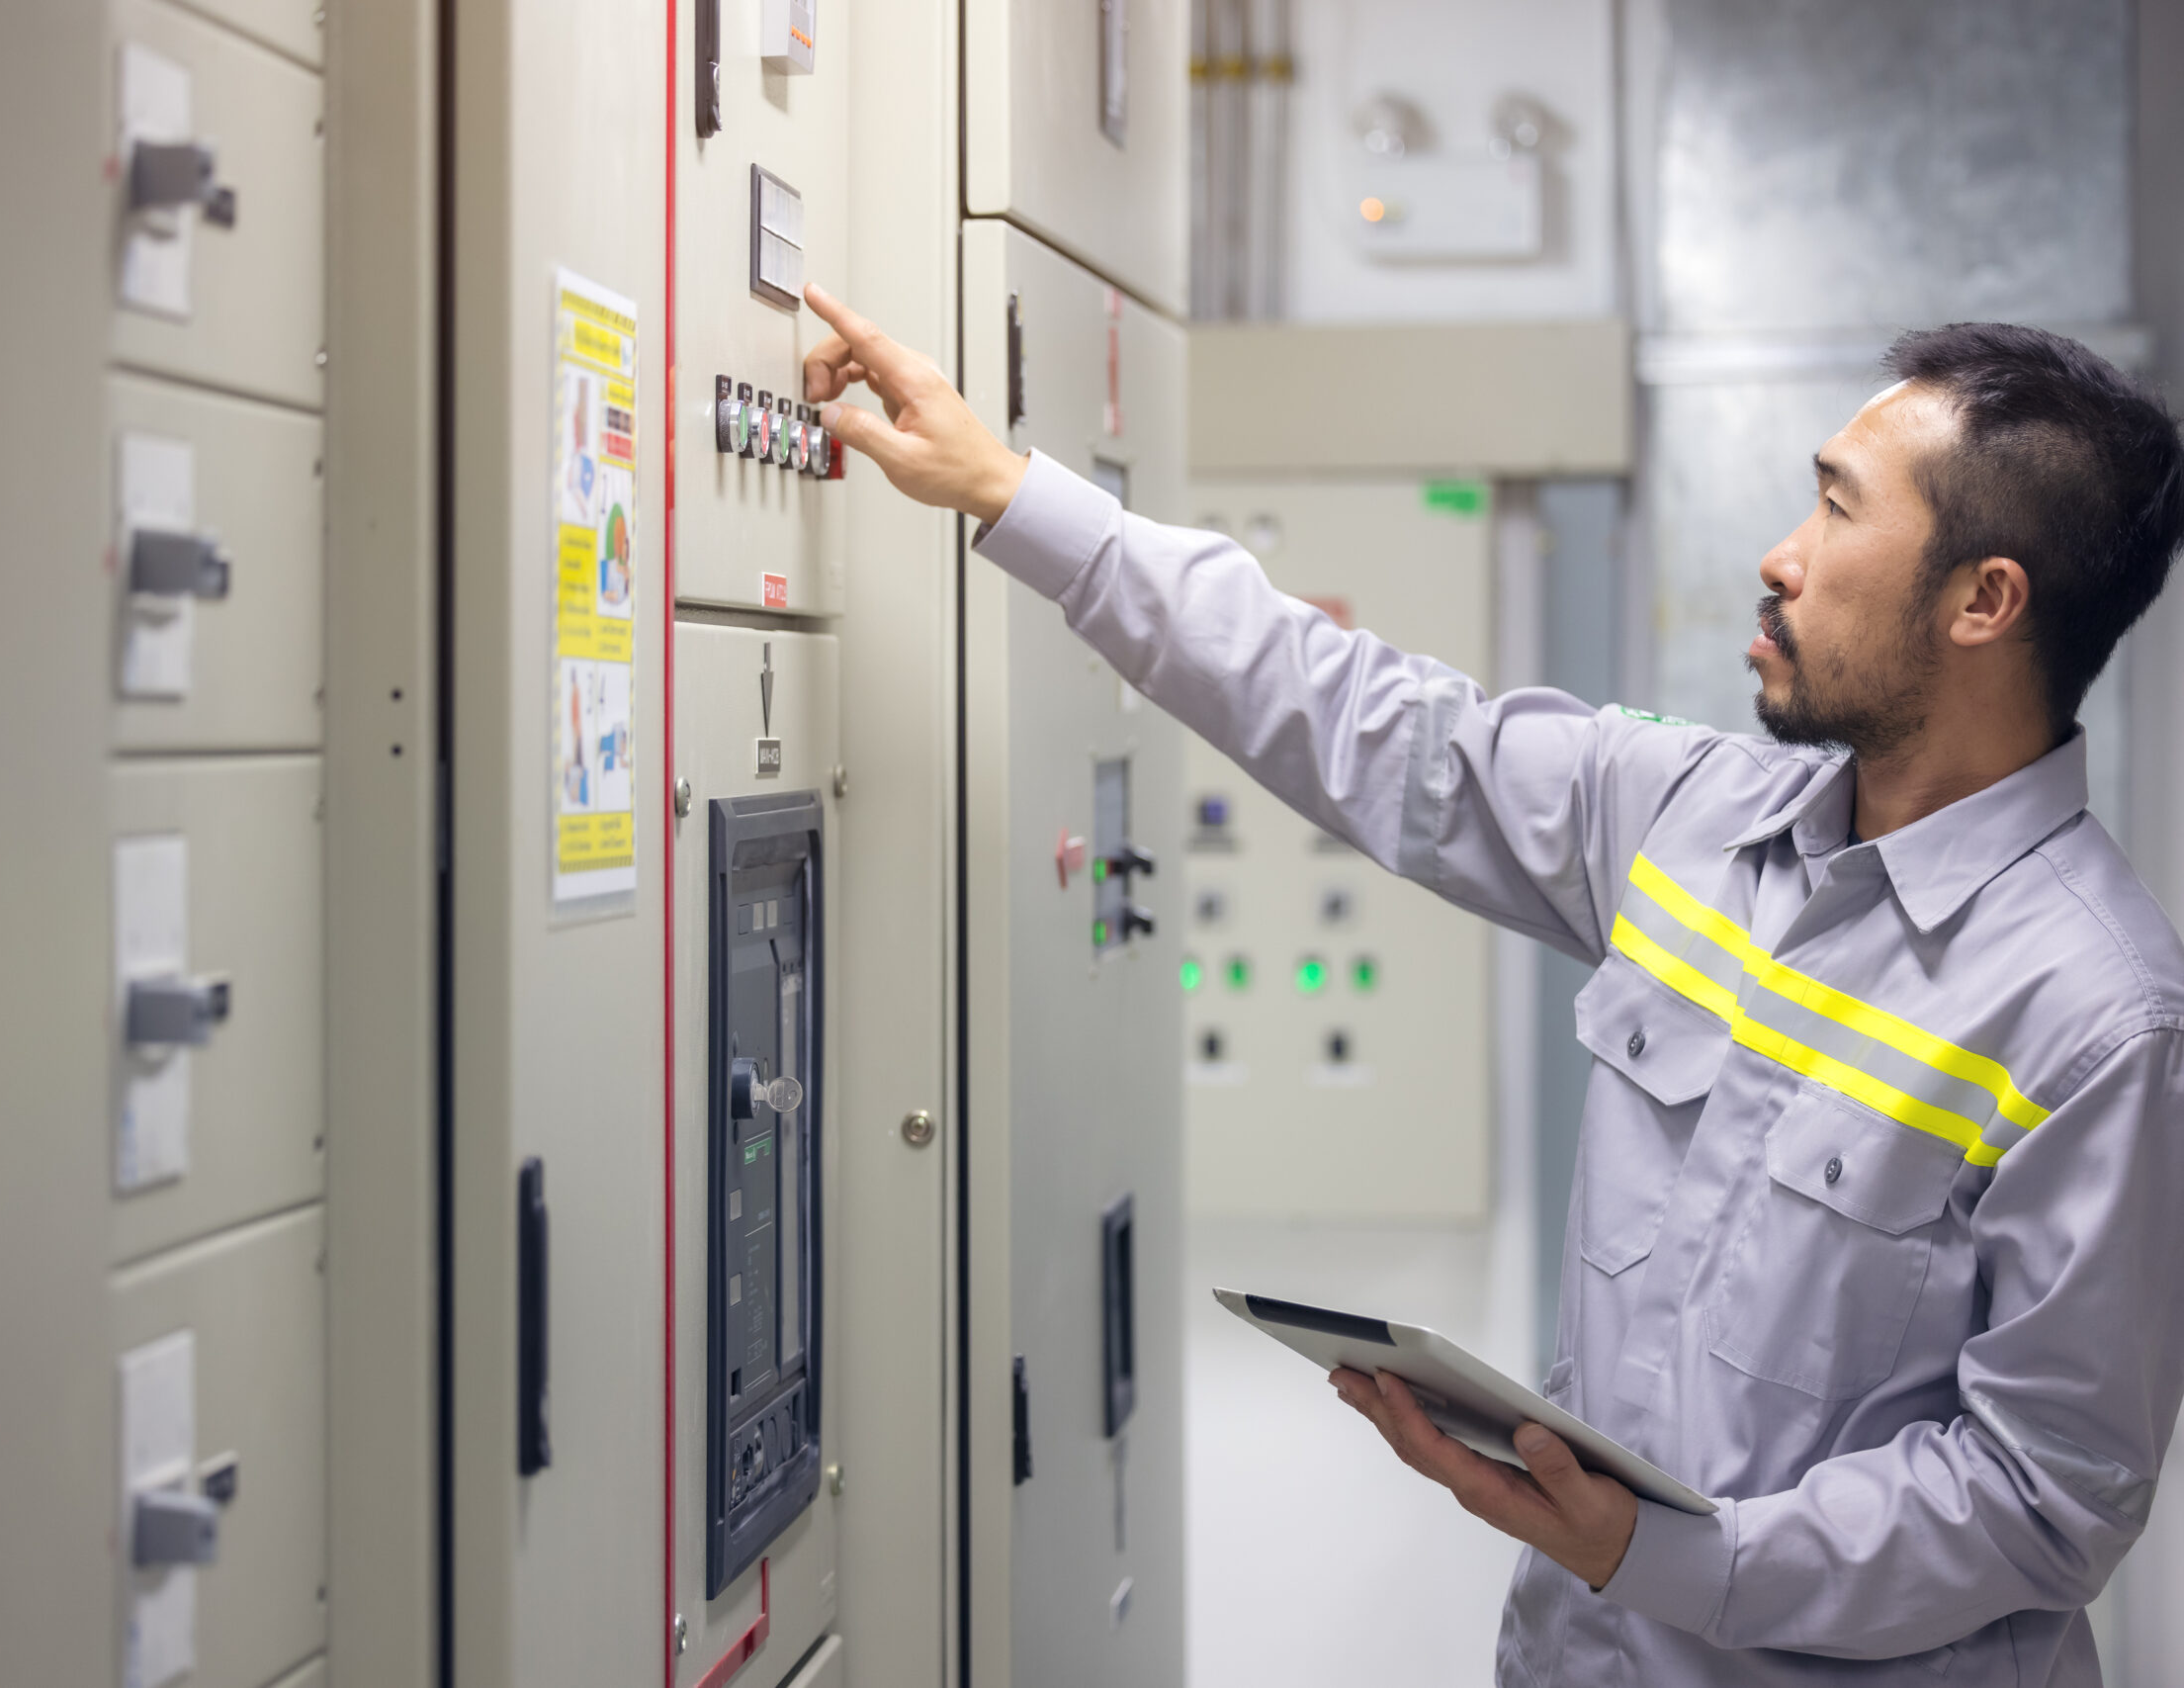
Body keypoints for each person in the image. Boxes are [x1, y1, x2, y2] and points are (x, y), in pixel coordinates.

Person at [800, 280, 2184, 1685]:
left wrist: (1667, 1558)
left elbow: (2043, 1497)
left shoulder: (2095, 1017)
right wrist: (1012, 493)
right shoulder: (1696, 821)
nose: (1781, 555)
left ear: (1984, 601)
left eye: (1836, 510)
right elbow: (1369, 718)